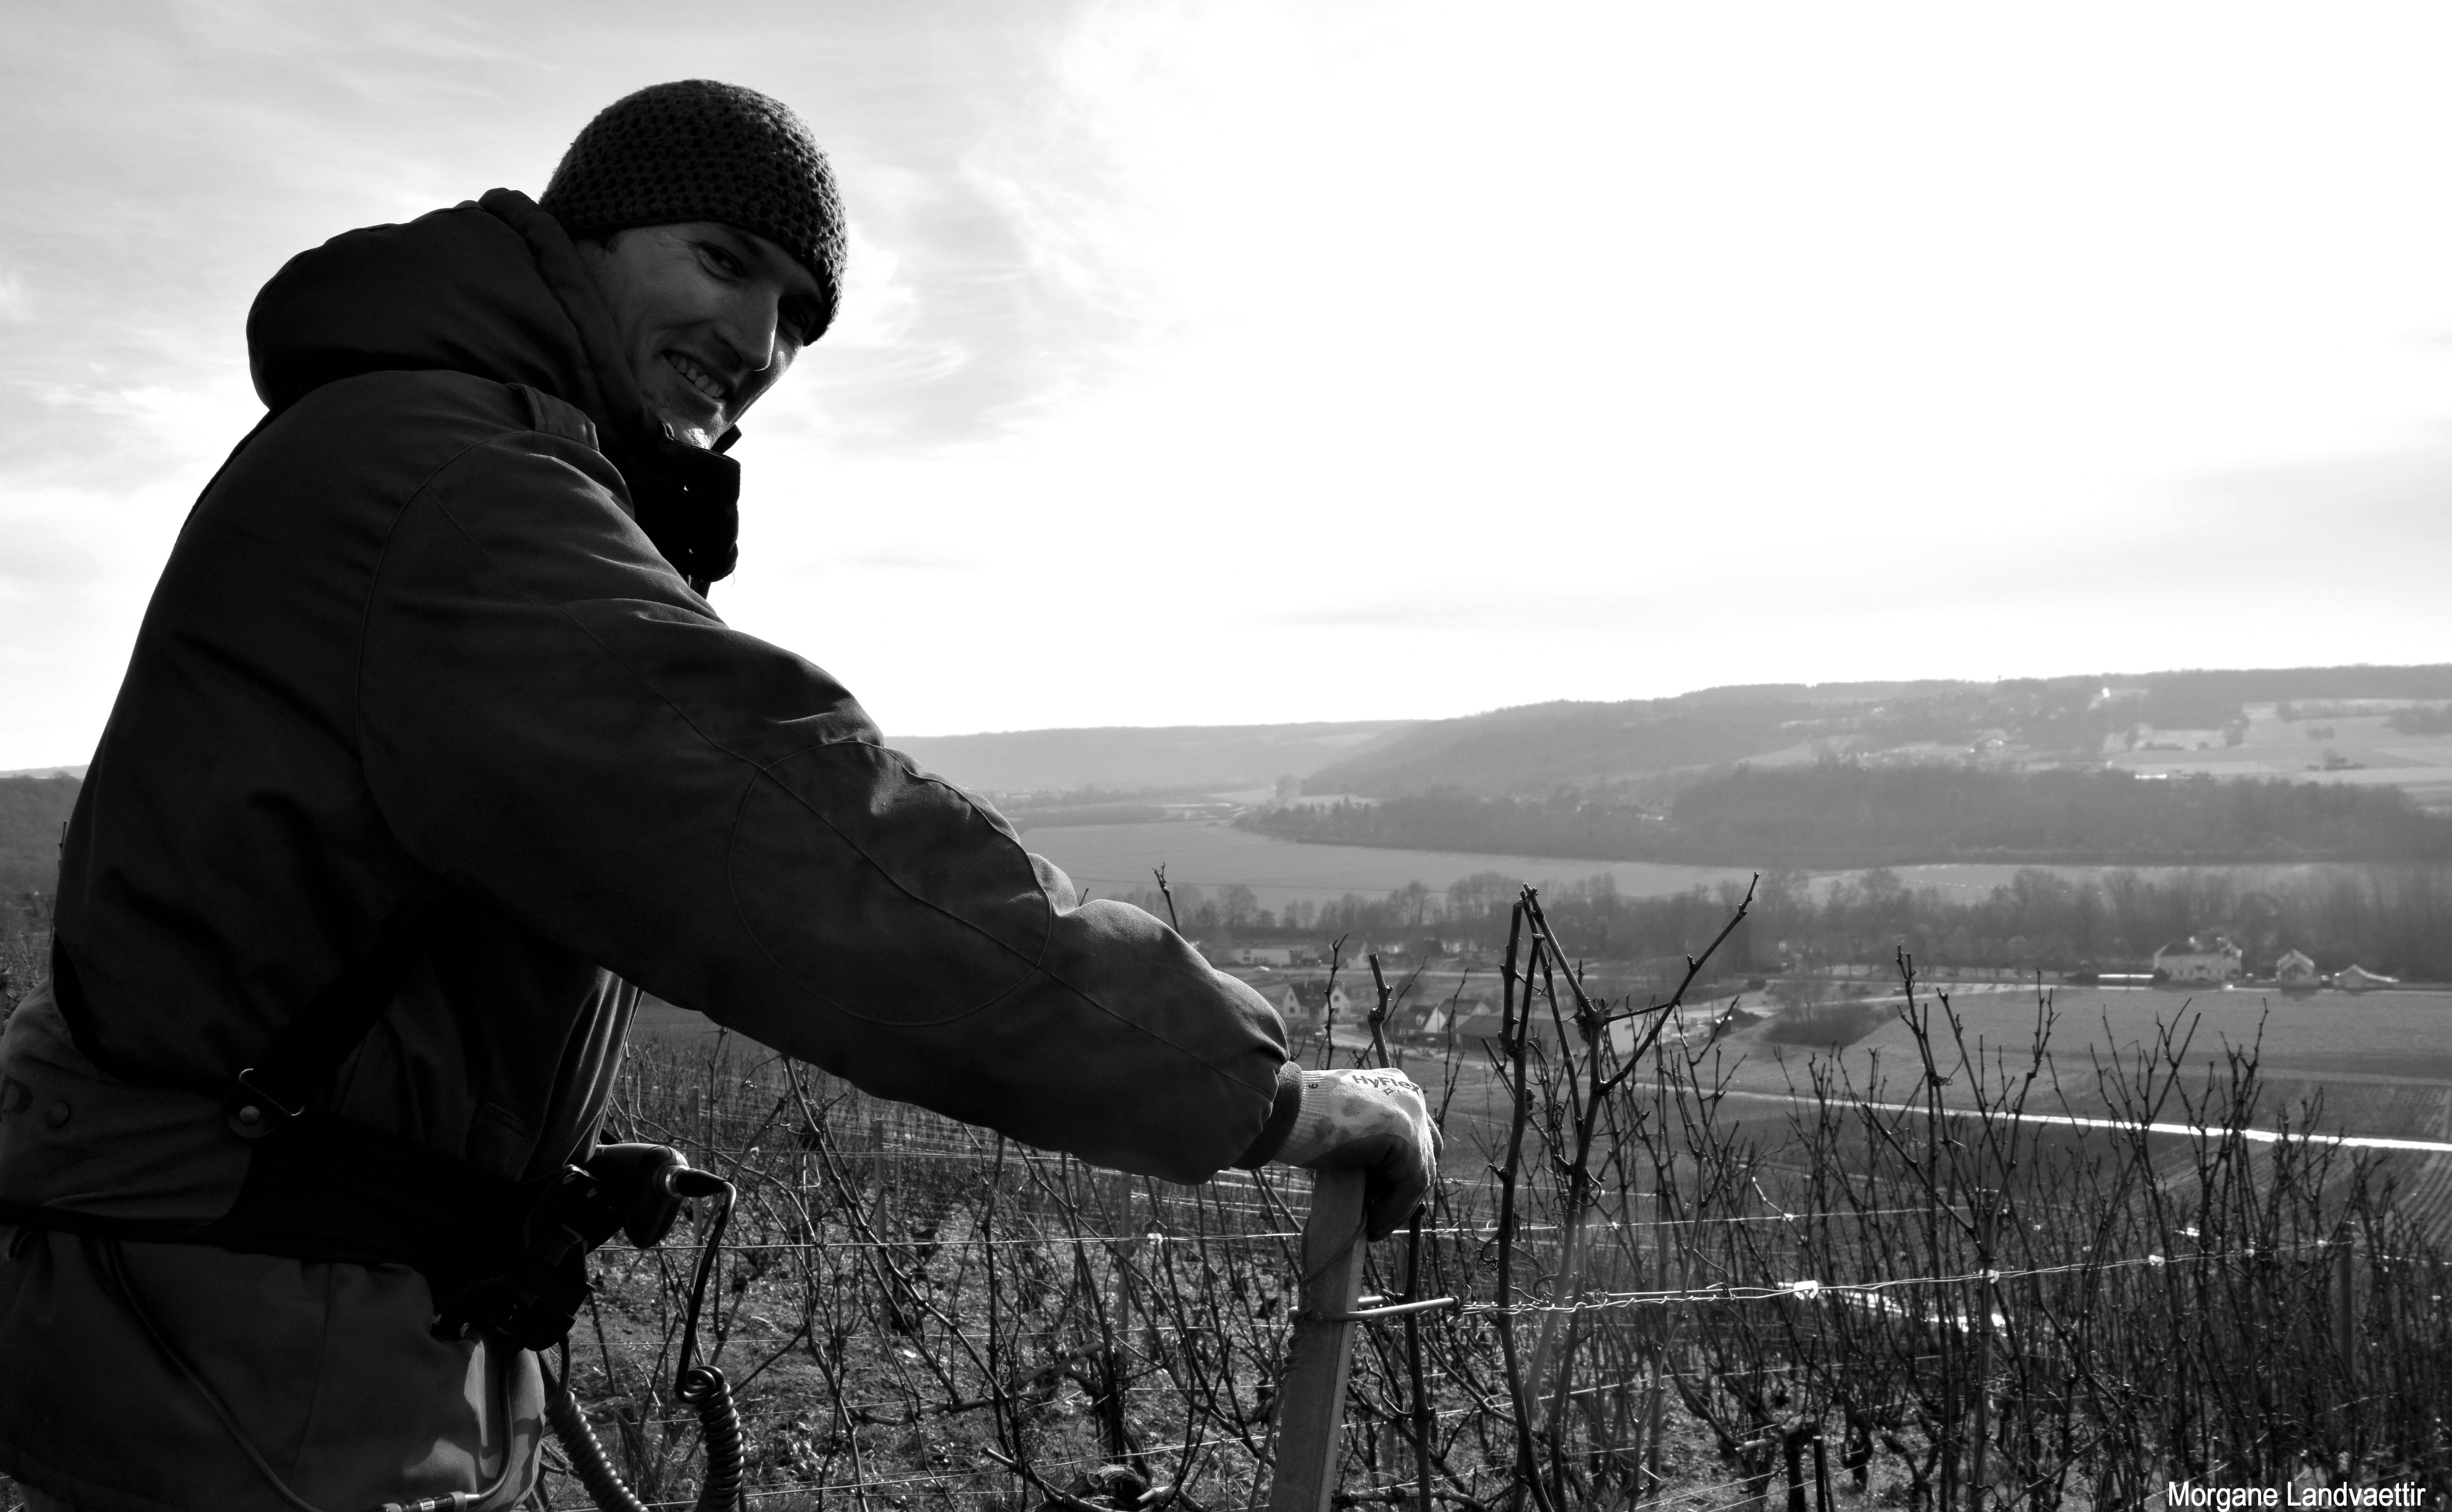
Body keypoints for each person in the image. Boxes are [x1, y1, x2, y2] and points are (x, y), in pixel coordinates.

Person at [0, 80, 1436, 1512]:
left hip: (261, 1310)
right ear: (583, 241)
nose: (757, 343)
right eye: (723, 260)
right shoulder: (451, 486)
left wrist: (497, 1157)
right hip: (252, 1353)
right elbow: (812, 854)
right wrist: (1257, 1097)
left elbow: (308, 928)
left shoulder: (420, 449)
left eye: (800, 316)